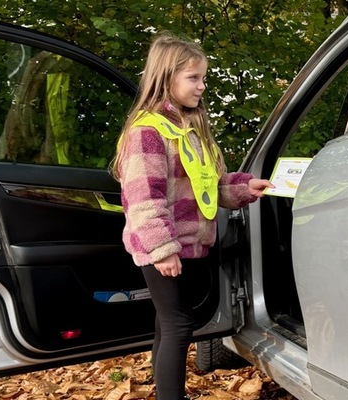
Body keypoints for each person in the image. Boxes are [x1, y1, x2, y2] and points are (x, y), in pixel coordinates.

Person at [111, 33, 273, 400]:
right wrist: (163, 248)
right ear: (167, 77)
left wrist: (246, 188)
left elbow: (210, 187)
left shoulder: (192, 129)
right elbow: (143, 198)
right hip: (163, 245)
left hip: (187, 243)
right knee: (178, 325)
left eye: (203, 78)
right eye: (194, 78)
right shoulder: (148, 131)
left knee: (167, 324)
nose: (202, 86)